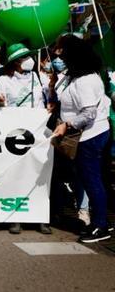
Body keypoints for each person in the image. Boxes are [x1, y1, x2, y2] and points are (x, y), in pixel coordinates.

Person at [51, 35, 112, 243]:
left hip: (89, 136)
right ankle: (100, 218)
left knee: (91, 179)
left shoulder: (85, 81)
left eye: (62, 53)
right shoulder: (80, 76)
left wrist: (66, 125)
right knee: (91, 178)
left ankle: (100, 226)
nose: (59, 57)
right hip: (89, 135)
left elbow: (89, 113)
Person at [0, 43, 51, 235]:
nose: (27, 61)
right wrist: (0, 103)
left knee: (40, 175)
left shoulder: (40, 77)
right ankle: (15, 216)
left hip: (39, 133)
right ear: (13, 62)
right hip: (15, 134)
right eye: (21, 58)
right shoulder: (3, 80)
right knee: (17, 174)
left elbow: (50, 99)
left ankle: (40, 217)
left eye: (28, 56)